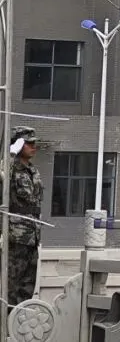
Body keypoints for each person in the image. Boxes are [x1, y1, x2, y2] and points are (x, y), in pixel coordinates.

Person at [7, 126, 43, 309]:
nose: (33, 146)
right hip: (17, 236)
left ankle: (18, 323)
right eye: (28, 143)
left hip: (32, 235)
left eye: (34, 142)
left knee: (28, 286)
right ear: (19, 144)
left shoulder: (32, 170)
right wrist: (11, 152)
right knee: (10, 287)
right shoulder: (11, 166)